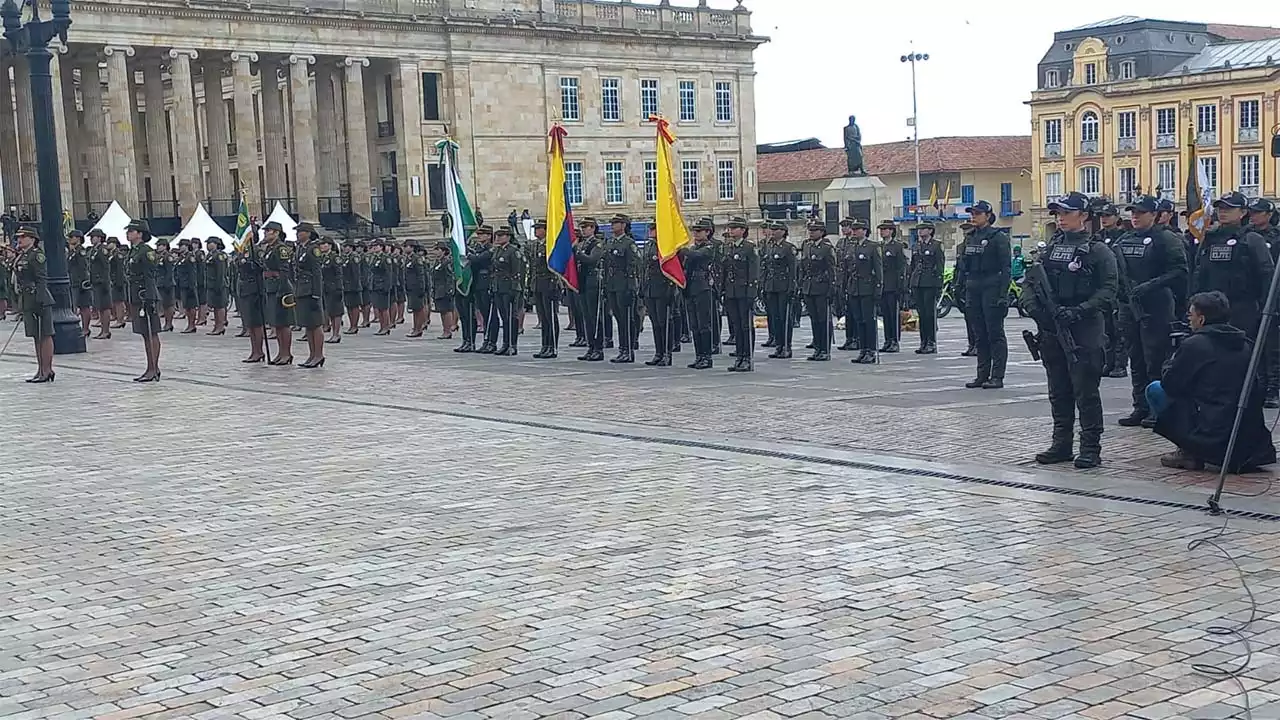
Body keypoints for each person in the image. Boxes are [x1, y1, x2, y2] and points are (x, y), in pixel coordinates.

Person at [1024, 191, 1118, 469]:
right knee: (1059, 390)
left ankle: (1090, 447)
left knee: (1086, 391)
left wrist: (1080, 311)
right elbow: (1030, 283)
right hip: (1053, 328)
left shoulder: (1098, 251)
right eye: (1058, 213)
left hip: (1084, 328)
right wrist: (1035, 310)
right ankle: (1061, 443)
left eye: (1066, 213)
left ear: (1084, 216)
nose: (1060, 218)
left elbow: (1109, 290)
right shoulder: (1050, 249)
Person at [1149, 291, 1277, 471]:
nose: (1188, 320)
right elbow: (1259, 388)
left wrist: (1171, 361)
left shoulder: (1194, 345)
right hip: (1248, 440)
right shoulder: (1247, 344)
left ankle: (1188, 451)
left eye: (1191, 315)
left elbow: (1170, 384)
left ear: (1201, 320)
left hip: (1211, 434)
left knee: (1155, 389)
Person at [1115, 195, 1188, 428]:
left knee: (1156, 359)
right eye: (1132, 212)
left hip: (1156, 305)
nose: (1135, 216)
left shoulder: (1166, 239)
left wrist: (1150, 285)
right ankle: (1141, 406)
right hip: (1130, 306)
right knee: (1136, 358)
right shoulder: (1125, 240)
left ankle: (1159, 408)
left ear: (1154, 215)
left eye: (1140, 212)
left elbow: (1180, 270)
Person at [1193, 191, 1274, 341]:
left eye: (1229, 209)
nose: (1223, 212)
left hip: (1242, 307)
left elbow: (1267, 275)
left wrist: (1264, 310)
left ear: (1243, 212)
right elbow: (1199, 271)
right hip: (1212, 307)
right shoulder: (1210, 238)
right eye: (1220, 208)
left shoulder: (1252, 239)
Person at [957, 200, 1012, 387]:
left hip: (992, 286)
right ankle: (982, 374)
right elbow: (963, 265)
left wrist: (1003, 294)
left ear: (988, 216)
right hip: (974, 286)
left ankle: (997, 376)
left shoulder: (998, 237)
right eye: (972, 213)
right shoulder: (970, 237)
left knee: (994, 333)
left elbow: (1006, 268)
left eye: (977, 213)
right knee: (979, 333)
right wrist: (959, 286)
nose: (973, 216)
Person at [1245, 197, 1280, 407]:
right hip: (1251, 297)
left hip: (1274, 297)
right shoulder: (1245, 236)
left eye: (1258, 212)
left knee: (1272, 347)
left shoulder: (1276, 237)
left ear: (1268, 214)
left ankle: (1272, 389)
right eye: (1252, 212)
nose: (1254, 216)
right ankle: (1257, 385)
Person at [13, 226, 55, 382]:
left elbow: (41, 279)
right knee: (35, 335)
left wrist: (40, 299)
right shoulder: (23, 255)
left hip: (39, 298)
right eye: (19, 237)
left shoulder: (37, 255)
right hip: (28, 298)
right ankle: (40, 369)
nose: (19, 239)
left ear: (32, 239)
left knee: (44, 334)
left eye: (23, 237)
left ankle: (47, 370)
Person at [125, 220, 163, 382]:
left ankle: (153, 369)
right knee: (144, 333)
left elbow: (150, 276)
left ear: (140, 234)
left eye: (131, 231)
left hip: (145, 295)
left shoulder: (146, 251)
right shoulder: (133, 251)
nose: (128, 233)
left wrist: (149, 297)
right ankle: (151, 367)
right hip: (136, 295)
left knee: (151, 332)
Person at [720, 217, 760, 372]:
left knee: (745, 326)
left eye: (734, 228)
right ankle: (739, 356)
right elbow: (725, 271)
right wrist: (723, 290)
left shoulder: (749, 248)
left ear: (743, 230)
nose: (731, 231)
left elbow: (753, 271)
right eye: (730, 228)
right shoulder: (730, 248)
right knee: (736, 326)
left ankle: (747, 358)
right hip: (731, 292)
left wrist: (752, 292)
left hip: (744, 292)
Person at [1096, 203, 1129, 378]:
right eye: (1102, 215)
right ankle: (1108, 362)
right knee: (1106, 328)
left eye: (1108, 215)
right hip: (1102, 287)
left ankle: (1120, 364)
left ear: (1117, 218)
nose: (1104, 218)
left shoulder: (1123, 237)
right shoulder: (1098, 237)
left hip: (1119, 288)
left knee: (1119, 329)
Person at [842, 220, 882, 365]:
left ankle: (871, 351)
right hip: (854, 288)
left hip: (867, 288)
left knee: (868, 321)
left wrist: (878, 288)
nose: (854, 231)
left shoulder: (872, 247)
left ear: (865, 231)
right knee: (859, 320)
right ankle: (863, 349)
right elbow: (847, 269)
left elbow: (878, 270)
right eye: (854, 229)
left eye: (858, 229)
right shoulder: (851, 247)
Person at [678, 218, 717, 369]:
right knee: (694, 325)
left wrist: (682, 248)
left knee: (703, 324)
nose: (696, 233)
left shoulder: (709, 247)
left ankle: (707, 357)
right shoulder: (693, 248)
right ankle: (699, 356)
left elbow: (696, 257)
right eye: (695, 231)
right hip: (691, 288)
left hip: (703, 288)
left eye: (699, 231)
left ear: (708, 232)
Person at [603, 214, 642, 364]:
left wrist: (631, 285)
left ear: (624, 225)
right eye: (612, 223)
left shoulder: (628, 243)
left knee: (626, 319)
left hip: (625, 285)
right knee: (619, 319)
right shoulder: (611, 242)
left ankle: (628, 350)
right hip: (612, 285)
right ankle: (623, 349)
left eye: (616, 223)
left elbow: (634, 265)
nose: (613, 226)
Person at [641, 219, 679, 367]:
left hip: (663, 289)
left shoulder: (667, 247)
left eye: (654, 229)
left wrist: (671, 289)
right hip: (650, 289)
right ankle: (658, 352)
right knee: (655, 323)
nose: (651, 231)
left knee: (664, 323)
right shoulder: (650, 246)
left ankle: (667, 354)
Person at [800, 219, 837, 361]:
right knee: (814, 320)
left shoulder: (827, 248)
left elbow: (832, 269)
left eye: (814, 230)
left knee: (823, 320)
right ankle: (817, 347)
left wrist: (831, 287)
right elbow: (803, 268)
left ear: (821, 232)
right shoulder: (807, 246)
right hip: (809, 287)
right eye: (810, 230)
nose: (811, 232)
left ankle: (825, 349)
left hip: (822, 287)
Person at [260, 220, 296, 365]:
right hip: (270, 286)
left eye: (268, 231)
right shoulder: (269, 248)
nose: (265, 233)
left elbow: (284, 271)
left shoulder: (281, 248)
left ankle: (286, 354)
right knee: (277, 323)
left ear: (276, 233)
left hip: (280, 287)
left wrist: (282, 289)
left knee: (284, 322)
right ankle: (281, 352)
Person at [761, 221, 797, 359]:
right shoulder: (770, 247)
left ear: (783, 231)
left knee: (784, 318)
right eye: (772, 229)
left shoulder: (789, 248)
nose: (773, 231)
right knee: (775, 318)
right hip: (771, 286)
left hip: (783, 287)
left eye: (776, 229)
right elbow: (766, 267)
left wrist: (792, 287)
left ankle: (787, 347)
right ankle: (778, 346)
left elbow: (793, 269)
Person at [908, 221, 944, 354]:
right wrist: (911, 282)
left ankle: (931, 342)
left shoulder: (936, 246)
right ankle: (923, 342)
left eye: (923, 229)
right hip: (918, 282)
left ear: (930, 231)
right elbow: (913, 265)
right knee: (922, 314)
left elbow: (940, 266)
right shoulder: (916, 246)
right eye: (919, 229)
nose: (920, 231)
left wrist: (938, 285)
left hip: (930, 283)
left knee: (930, 314)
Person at [528, 220, 562, 359]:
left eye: (539, 228)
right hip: (538, 284)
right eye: (535, 228)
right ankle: (545, 345)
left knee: (551, 316)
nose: (536, 231)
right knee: (543, 317)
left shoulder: (552, 244)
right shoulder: (535, 245)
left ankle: (552, 346)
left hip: (550, 284)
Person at [490, 226, 525, 355]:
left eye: (501, 236)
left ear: (508, 237)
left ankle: (512, 344)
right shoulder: (498, 251)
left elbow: (518, 271)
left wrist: (515, 288)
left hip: (510, 287)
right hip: (499, 287)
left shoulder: (513, 251)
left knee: (511, 317)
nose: (498, 238)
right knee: (504, 317)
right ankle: (505, 343)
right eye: (497, 236)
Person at [235, 228, 267, 363]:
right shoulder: (243, 251)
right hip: (245, 289)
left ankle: (259, 351)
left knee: (256, 323)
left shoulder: (257, 250)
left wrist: (254, 264)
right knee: (250, 323)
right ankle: (254, 350)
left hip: (255, 289)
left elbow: (262, 267)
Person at [878, 220, 907, 353]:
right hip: (882, 285)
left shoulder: (897, 247)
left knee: (893, 315)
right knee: (885, 315)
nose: (882, 231)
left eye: (885, 229)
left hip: (893, 285)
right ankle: (887, 340)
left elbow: (901, 268)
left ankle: (895, 341)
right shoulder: (879, 246)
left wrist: (901, 286)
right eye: (881, 229)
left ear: (891, 231)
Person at [65, 230, 92, 338]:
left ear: (78, 238)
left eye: (72, 237)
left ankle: (85, 328)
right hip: (73, 281)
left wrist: (83, 282)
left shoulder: (81, 251)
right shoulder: (73, 251)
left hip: (80, 282)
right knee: (75, 305)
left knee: (84, 306)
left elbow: (83, 267)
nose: (70, 239)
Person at [366, 238, 393, 337]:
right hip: (375, 285)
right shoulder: (374, 258)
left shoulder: (385, 258)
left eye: (376, 246)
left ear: (381, 247)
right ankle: (382, 327)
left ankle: (386, 327)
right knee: (378, 308)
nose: (374, 248)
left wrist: (387, 287)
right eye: (373, 246)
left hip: (382, 286)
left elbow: (388, 273)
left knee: (384, 308)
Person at [320, 237, 345, 343]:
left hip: (334, 287)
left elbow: (338, 274)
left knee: (336, 312)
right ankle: (332, 332)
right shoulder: (322, 257)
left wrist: (339, 288)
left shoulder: (335, 257)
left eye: (324, 244)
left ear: (330, 245)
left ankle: (336, 334)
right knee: (329, 311)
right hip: (325, 287)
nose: (321, 246)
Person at [403, 241, 429, 338]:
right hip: (410, 287)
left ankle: (419, 329)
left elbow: (421, 274)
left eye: (406, 246)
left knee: (419, 309)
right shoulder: (408, 259)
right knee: (414, 309)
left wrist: (422, 288)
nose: (405, 248)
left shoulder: (416, 259)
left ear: (412, 247)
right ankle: (415, 328)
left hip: (417, 287)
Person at [203, 238, 229, 335]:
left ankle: (220, 326)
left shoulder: (219, 255)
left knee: (220, 306)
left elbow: (220, 272)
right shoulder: (210, 255)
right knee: (215, 306)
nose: (208, 245)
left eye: (210, 243)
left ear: (216, 244)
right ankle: (216, 326)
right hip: (211, 284)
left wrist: (219, 285)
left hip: (219, 284)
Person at [430, 241, 456, 339]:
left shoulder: (446, 262)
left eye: (438, 250)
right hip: (438, 289)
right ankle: (445, 330)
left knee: (446, 310)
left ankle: (448, 331)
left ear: (444, 251)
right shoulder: (438, 261)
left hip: (444, 289)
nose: (436, 252)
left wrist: (449, 289)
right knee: (441, 311)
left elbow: (449, 277)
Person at [154, 238, 177, 332]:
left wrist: (168, 283)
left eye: (159, 245)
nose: (157, 247)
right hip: (160, 283)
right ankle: (166, 323)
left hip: (167, 284)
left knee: (168, 305)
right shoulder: (159, 256)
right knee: (163, 304)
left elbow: (169, 271)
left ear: (165, 246)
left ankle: (169, 323)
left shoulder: (168, 257)